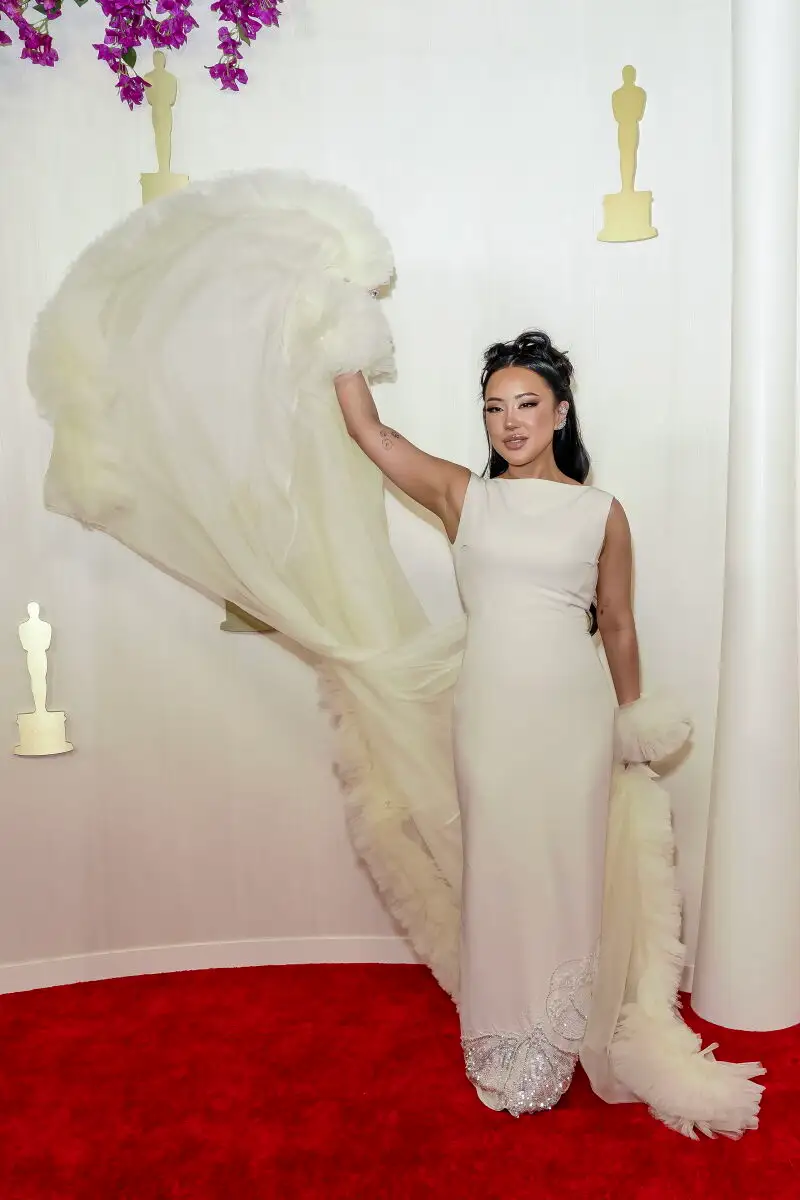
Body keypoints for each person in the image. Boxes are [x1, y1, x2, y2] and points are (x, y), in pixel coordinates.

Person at [334, 329, 640, 1114]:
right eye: (495, 408)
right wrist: (334, 331)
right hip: (492, 719)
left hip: (575, 720)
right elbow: (373, 435)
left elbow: (619, 626)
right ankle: (503, 1033)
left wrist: (635, 726)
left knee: (568, 869)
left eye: (527, 405)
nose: (510, 422)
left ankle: (557, 1036)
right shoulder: (465, 495)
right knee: (500, 871)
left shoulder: (602, 513)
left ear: (561, 411)